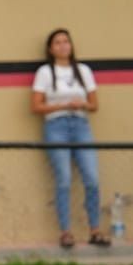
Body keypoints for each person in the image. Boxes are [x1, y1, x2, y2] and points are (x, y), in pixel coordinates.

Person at [31, 28, 107, 248]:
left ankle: (94, 229)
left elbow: (95, 105)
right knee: (63, 179)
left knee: (92, 178)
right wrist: (63, 105)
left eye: (66, 41)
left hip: (81, 125)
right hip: (56, 126)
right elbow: (36, 106)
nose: (63, 46)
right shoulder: (45, 72)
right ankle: (66, 231)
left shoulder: (83, 70)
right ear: (50, 49)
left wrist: (81, 104)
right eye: (57, 42)